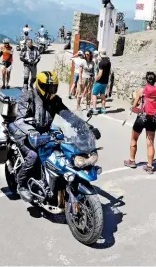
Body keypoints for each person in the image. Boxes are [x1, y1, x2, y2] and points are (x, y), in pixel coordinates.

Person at [10, 71, 100, 201]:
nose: (52, 91)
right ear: (41, 86)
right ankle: (22, 184)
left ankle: (55, 182)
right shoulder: (28, 96)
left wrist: (87, 128)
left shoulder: (55, 100)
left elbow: (69, 116)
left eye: (54, 87)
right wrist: (31, 131)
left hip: (45, 133)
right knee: (33, 156)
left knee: (64, 152)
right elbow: (19, 120)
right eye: (49, 87)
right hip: (25, 133)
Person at [124, 72, 156, 174]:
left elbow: (134, 106)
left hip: (141, 118)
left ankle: (131, 161)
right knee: (150, 143)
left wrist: (134, 107)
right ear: (155, 80)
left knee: (134, 138)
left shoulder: (142, 90)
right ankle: (149, 166)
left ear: (146, 80)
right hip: (152, 119)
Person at [91, 49, 111, 114]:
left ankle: (94, 109)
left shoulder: (101, 63)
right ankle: (103, 109)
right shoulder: (109, 62)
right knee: (102, 95)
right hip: (105, 82)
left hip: (99, 82)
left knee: (94, 94)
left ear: (100, 54)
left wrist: (95, 80)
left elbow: (100, 74)